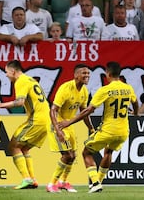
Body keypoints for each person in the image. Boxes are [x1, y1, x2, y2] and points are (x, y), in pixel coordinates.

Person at [58, 61, 139, 193]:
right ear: (119, 73)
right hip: (124, 131)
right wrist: (135, 114)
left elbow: (87, 111)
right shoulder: (128, 88)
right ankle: (99, 182)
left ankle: (95, 182)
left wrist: (69, 122)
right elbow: (135, 103)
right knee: (109, 152)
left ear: (107, 73)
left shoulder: (105, 90)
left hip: (108, 129)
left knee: (86, 152)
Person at [0, 60, 50, 189]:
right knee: (24, 148)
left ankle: (27, 179)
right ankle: (32, 179)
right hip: (45, 120)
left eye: (6, 72)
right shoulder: (30, 80)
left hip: (36, 120)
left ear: (13, 71)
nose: (6, 75)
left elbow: (20, 102)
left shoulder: (20, 81)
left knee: (13, 146)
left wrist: (0, 105)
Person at [46, 64, 95, 193]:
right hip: (58, 125)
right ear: (76, 75)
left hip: (68, 126)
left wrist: (91, 129)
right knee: (67, 155)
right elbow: (52, 110)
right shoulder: (65, 88)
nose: (87, 76)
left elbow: (84, 113)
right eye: (84, 73)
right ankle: (51, 184)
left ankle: (63, 182)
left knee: (73, 156)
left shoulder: (84, 91)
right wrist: (58, 130)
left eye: (88, 73)